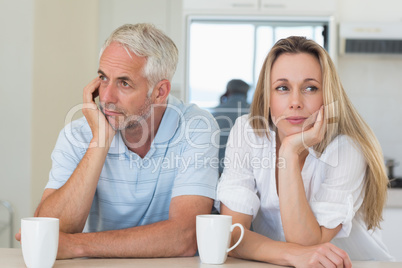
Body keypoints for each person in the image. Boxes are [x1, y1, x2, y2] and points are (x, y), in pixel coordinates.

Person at [16, 23, 219, 259]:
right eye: (103, 78)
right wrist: (100, 141)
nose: (106, 97)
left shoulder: (195, 127)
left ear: (160, 91)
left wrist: (77, 246)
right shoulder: (80, 133)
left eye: (124, 83)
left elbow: (185, 237)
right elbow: (49, 233)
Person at [216, 36, 393, 267]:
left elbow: (307, 244)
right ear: (267, 97)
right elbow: (231, 235)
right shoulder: (248, 132)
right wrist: (289, 255)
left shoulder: (347, 148)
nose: (295, 102)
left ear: (327, 95)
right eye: (282, 88)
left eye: (310, 88)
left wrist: (289, 151)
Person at [211, 79, 250, 174]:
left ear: (227, 92)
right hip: (246, 168)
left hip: (219, 168)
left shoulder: (216, 112)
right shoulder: (254, 111)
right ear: (246, 93)